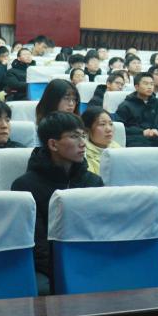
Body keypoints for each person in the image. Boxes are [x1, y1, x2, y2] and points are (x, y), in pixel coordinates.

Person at [11, 112, 103, 294]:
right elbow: (36, 244)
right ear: (53, 144)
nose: (83, 143)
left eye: (83, 136)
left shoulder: (93, 181)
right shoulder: (25, 186)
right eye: (74, 136)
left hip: (89, 260)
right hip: (47, 267)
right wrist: (68, 269)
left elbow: (101, 230)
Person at [115, 72, 158, 147]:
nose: (149, 87)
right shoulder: (125, 105)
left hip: (157, 139)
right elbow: (120, 128)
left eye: (151, 84)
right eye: (146, 84)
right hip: (135, 140)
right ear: (136, 87)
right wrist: (141, 132)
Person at [82, 105, 122, 176]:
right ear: (87, 130)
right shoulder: (82, 154)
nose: (109, 129)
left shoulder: (117, 148)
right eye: (102, 124)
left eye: (111, 124)